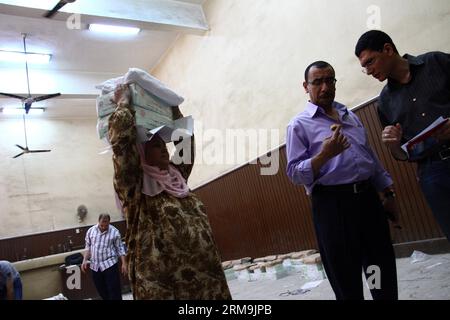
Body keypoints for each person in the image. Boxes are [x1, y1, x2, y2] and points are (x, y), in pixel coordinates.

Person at [286, 61, 399, 300]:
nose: (325, 87)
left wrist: (387, 193)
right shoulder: (299, 125)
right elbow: (295, 173)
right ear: (306, 86)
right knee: (346, 277)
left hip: (368, 200)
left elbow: (370, 157)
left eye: (330, 80)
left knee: (380, 267)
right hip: (332, 206)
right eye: (318, 82)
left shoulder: (350, 116)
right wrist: (324, 154)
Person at [108, 84, 231, 300]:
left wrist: (173, 111)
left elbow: (185, 142)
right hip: (166, 288)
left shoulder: (177, 177)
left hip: (207, 284)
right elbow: (122, 146)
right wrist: (123, 105)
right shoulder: (135, 188)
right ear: (142, 155)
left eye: (163, 143)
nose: (164, 148)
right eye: (155, 145)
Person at [355, 30, 450, 241]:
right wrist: (394, 145)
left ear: (388, 49)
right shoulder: (385, 102)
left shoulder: (436, 62)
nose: (369, 71)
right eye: (364, 67)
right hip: (432, 172)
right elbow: (403, 154)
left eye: (370, 62)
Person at [81, 213, 127, 300]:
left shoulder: (115, 232)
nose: (103, 227)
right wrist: (84, 260)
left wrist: (124, 263)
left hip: (110, 264)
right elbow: (88, 247)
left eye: (106, 226)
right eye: (101, 225)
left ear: (109, 222)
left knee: (114, 290)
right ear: (98, 221)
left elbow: (120, 248)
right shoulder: (91, 231)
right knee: (101, 290)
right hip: (95, 266)